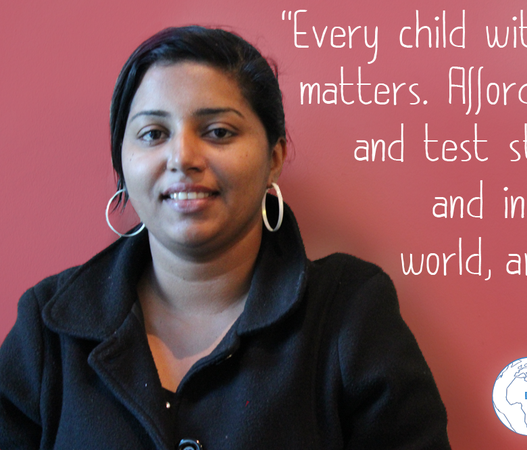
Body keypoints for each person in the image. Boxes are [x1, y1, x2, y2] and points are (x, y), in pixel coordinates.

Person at [0, 26, 450, 449]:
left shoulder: (349, 313)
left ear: (274, 157)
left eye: (218, 131)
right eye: (153, 134)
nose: (182, 157)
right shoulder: (48, 328)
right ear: (123, 161)